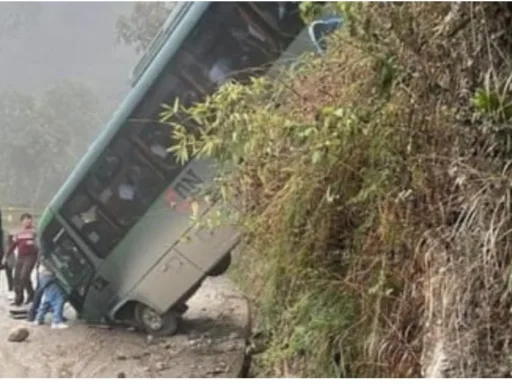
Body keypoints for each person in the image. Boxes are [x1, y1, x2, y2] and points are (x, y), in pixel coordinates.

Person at [5, 213, 38, 306]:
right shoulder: (19, 233)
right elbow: (13, 245)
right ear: (22, 222)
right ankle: (19, 299)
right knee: (17, 278)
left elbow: (39, 244)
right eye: (25, 219)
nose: (28, 221)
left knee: (24, 276)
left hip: (31, 257)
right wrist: (6, 256)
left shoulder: (34, 232)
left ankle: (31, 295)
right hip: (20, 257)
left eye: (29, 219)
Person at [33, 264, 68, 329]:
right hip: (49, 275)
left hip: (43, 275)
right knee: (58, 300)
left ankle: (39, 319)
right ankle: (56, 322)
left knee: (47, 299)